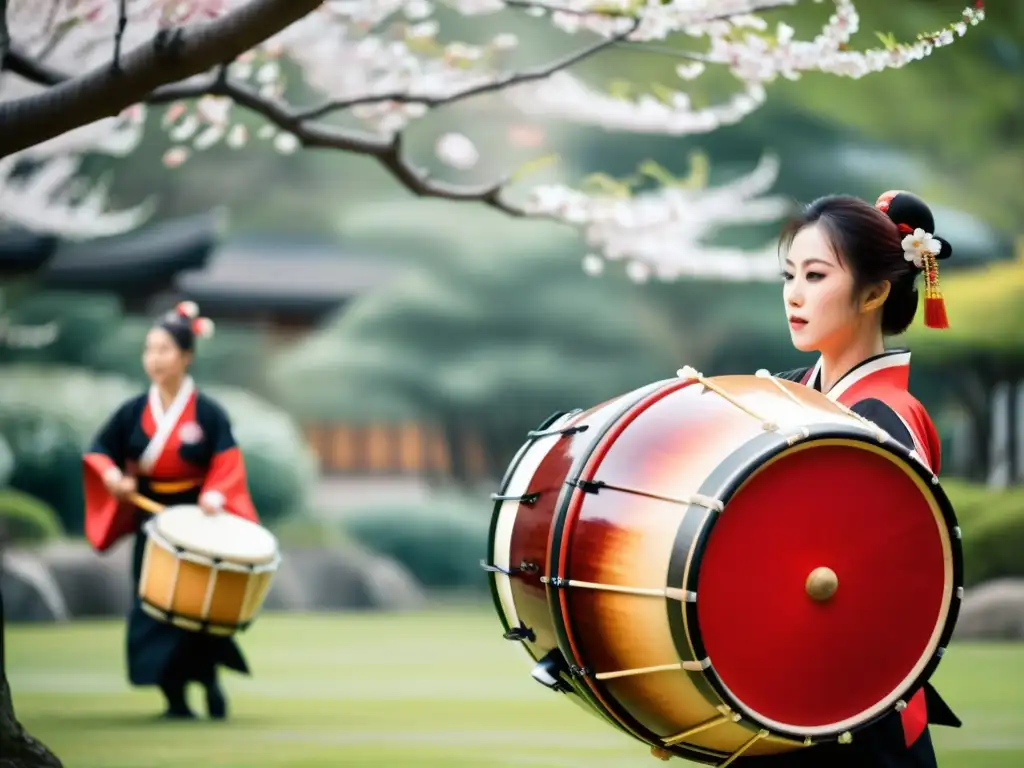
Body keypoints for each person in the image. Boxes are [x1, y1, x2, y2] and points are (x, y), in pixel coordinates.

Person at [739, 191, 960, 767]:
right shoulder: (786, 395)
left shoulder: (887, 415)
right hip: (786, 698)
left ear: (875, 291)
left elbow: (891, 586)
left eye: (815, 275)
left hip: (857, 720)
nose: (793, 293)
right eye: (789, 275)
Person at [81, 301, 260, 721]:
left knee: (201, 609)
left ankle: (210, 682)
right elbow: (100, 450)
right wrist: (112, 477)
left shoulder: (209, 413)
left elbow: (227, 460)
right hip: (154, 523)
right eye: (149, 350)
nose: (155, 359)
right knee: (154, 607)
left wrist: (216, 493)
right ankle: (174, 698)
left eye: (164, 350)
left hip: (200, 521)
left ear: (186, 356)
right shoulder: (132, 412)